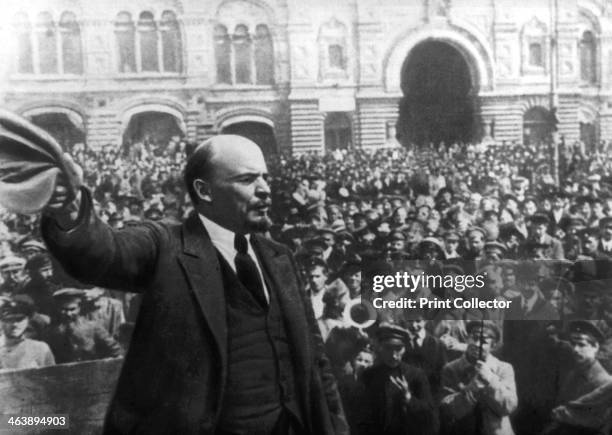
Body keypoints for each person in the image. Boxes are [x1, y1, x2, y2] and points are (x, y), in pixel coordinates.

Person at [41, 135, 347, 434]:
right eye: (247, 179)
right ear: (205, 190)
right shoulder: (165, 245)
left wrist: (335, 426)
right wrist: (69, 210)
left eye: (264, 178)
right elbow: (105, 253)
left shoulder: (281, 258)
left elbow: (316, 359)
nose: (266, 189)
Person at [357, 323, 437, 435]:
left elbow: (430, 415)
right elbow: (360, 415)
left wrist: (409, 398)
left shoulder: (416, 375)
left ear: (405, 348)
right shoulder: (368, 375)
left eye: (398, 348)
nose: (394, 355)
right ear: (380, 347)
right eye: (388, 348)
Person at [440, 321, 517, 435]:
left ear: (493, 345)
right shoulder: (451, 369)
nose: (476, 344)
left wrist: (491, 380)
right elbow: (447, 410)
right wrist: (472, 388)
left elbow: (509, 406)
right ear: (467, 338)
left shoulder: (504, 368)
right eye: (473, 337)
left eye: (483, 341)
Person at [45, 288, 122, 364]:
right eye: (64, 310)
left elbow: (116, 352)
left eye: (72, 309)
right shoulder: (51, 332)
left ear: (79, 308)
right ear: (58, 309)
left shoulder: (94, 327)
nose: (68, 314)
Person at [0, 295, 55, 371]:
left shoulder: (40, 348)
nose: (15, 324)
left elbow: (52, 378)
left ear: (27, 321)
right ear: (2, 322)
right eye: (10, 320)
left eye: (19, 319)